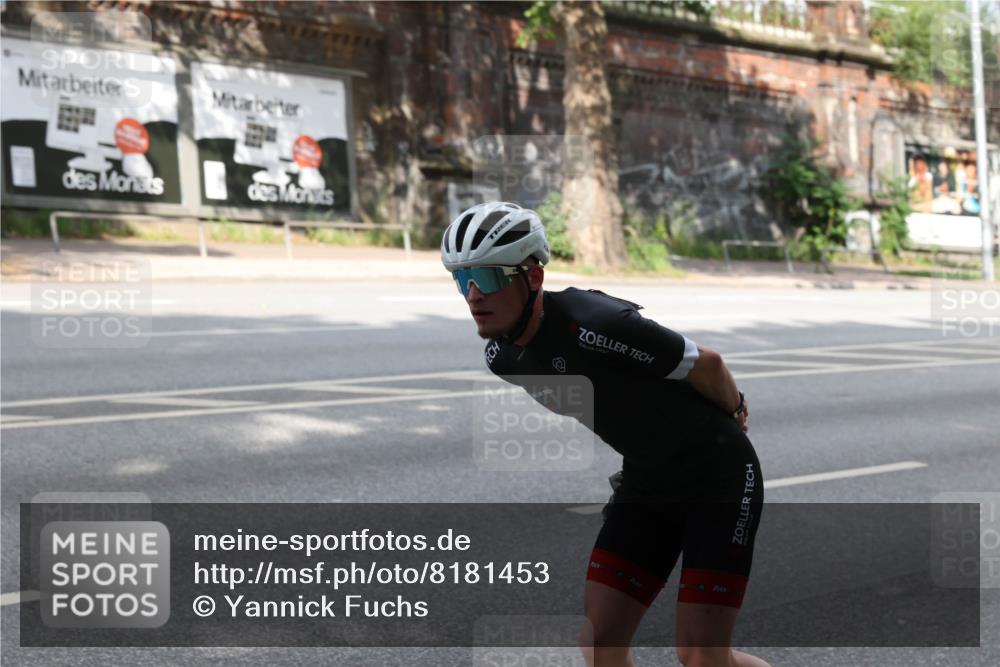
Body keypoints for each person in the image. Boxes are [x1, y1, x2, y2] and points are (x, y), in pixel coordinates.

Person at [442, 201, 770, 667]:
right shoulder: (504, 359)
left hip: (718, 478)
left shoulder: (596, 323)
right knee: (601, 645)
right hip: (649, 483)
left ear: (533, 277)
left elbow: (707, 363)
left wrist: (735, 411)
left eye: (489, 278)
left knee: (701, 656)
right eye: (462, 279)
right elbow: (612, 408)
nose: (474, 294)